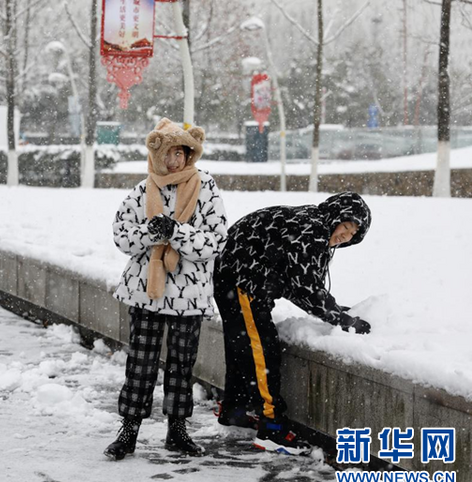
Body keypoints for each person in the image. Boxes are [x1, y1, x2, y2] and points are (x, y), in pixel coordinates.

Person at [105, 118, 228, 460]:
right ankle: (129, 430)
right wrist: (150, 232)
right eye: (170, 153)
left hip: (188, 296)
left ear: (191, 153)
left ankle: (177, 430)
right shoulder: (144, 191)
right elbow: (121, 235)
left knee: (181, 366)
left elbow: (216, 241)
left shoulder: (206, 188)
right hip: (146, 292)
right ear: (157, 154)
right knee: (140, 364)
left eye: (182, 153)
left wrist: (176, 232)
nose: (175, 161)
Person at [213, 192, 372, 456]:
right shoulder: (311, 230)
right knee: (263, 352)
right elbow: (305, 288)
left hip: (239, 277)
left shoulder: (313, 226)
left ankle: (235, 411)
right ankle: (272, 427)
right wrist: (343, 320)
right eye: (346, 226)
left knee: (244, 349)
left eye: (354, 234)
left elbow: (300, 282)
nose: (347, 235)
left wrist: (332, 310)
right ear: (336, 217)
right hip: (242, 280)